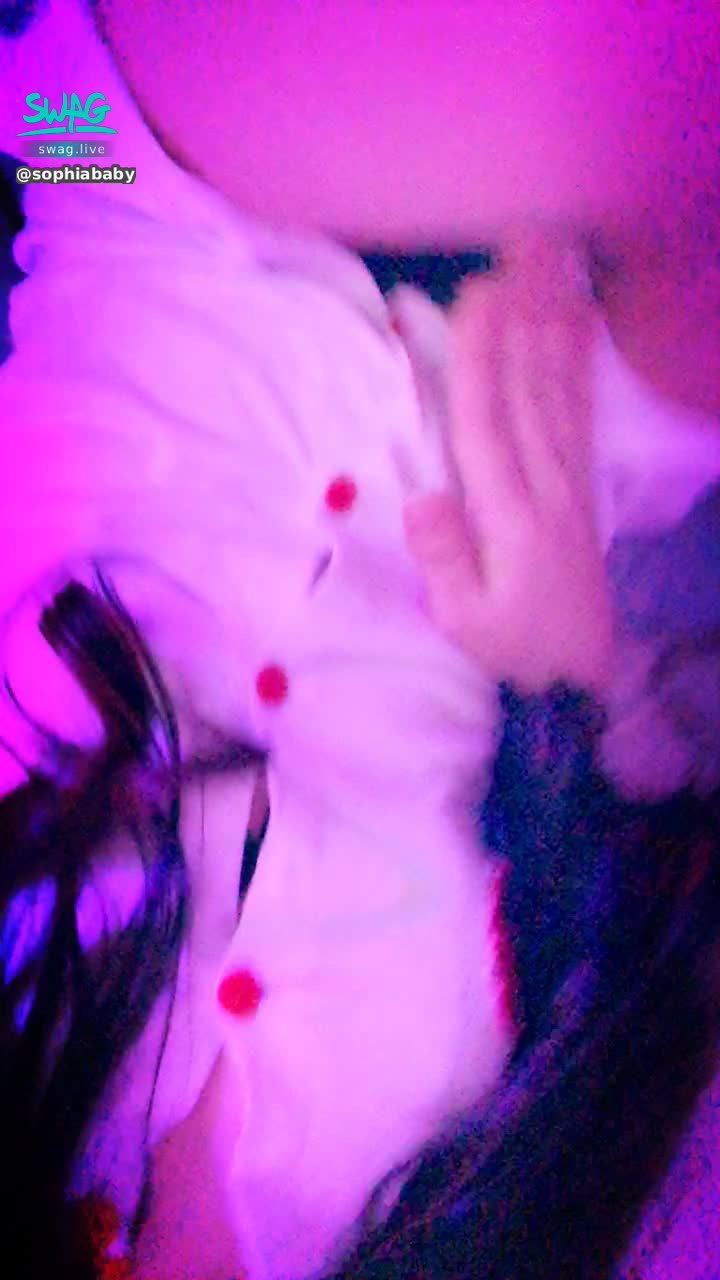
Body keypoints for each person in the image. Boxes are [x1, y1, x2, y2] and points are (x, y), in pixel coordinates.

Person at [1, 3, 720, 1277]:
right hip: (528, 416)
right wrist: (569, 667)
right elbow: (614, 915)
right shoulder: (492, 1221)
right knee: (699, 138)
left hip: (138, 184)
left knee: (660, 81)